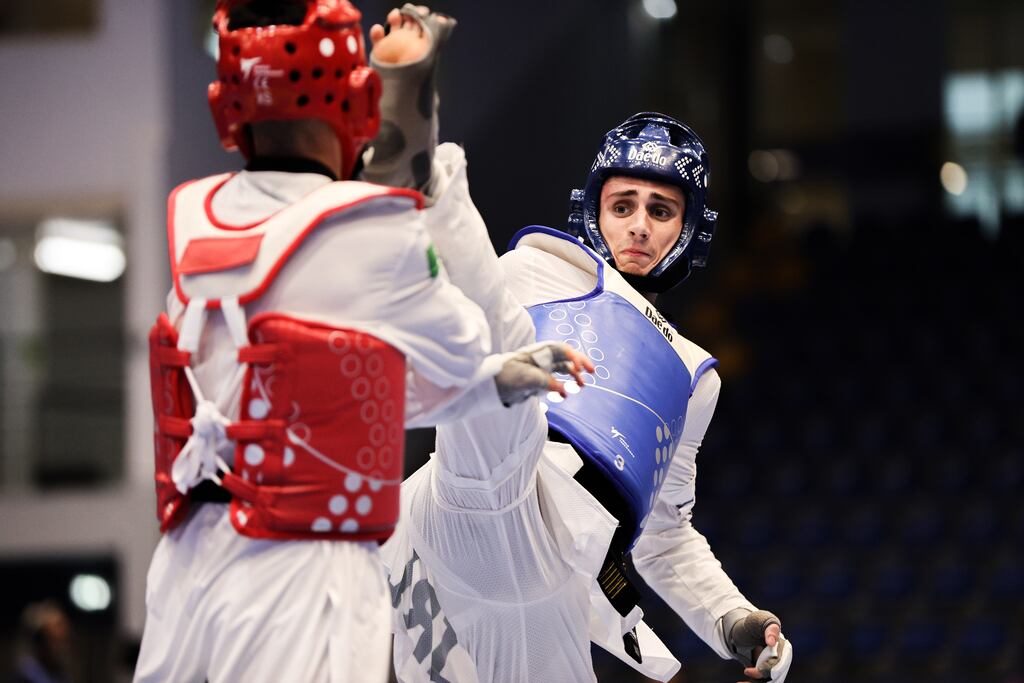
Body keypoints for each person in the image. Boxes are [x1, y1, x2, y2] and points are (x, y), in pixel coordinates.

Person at [133, 2, 588, 682]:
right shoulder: (370, 232)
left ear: (228, 109)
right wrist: (411, 105)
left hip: (184, 567)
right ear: (356, 102)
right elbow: (467, 345)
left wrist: (500, 377)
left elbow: (323, 387)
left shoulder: (193, 218)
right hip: (301, 576)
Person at [374, 9, 795, 681]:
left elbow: (664, 536)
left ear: (687, 231)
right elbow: (460, 325)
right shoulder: (543, 266)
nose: (638, 226)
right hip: (474, 492)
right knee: (502, 358)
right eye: (622, 204)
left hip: (556, 573)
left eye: (661, 211)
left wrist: (737, 619)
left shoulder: (695, 375)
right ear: (594, 210)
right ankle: (421, 166)